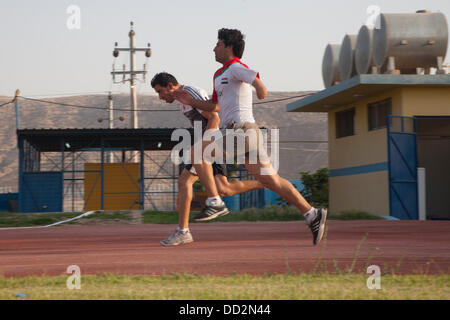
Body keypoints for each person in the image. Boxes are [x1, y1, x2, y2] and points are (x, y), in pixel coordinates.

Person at [172, 28, 328, 245]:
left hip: (241, 131)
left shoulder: (236, 67)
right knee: (270, 180)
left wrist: (261, 89)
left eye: (217, 44)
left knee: (198, 152)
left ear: (229, 47)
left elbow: (255, 79)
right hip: (246, 135)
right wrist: (191, 102)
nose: (213, 48)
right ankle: (312, 213)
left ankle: (215, 201)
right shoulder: (218, 75)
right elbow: (214, 105)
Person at [150, 72, 263, 246]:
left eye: (160, 91)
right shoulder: (181, 100)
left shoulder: (189, 93)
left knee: (184, 182)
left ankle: (185, 230)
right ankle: (264, 182)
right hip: (210, 143)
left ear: (170, 86)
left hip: (213, 142)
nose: (160, 97)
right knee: (225, 189)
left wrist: (205, 144)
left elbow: (214, 116)